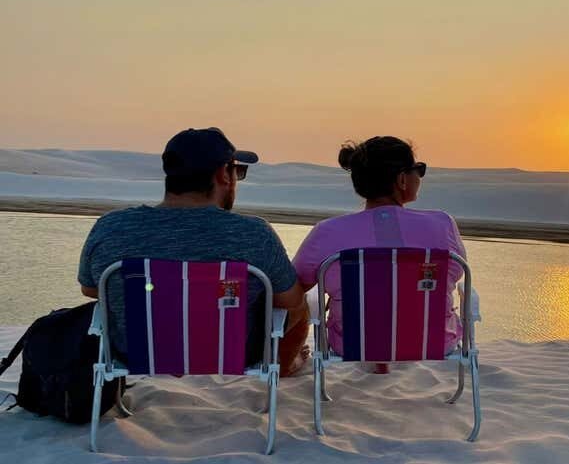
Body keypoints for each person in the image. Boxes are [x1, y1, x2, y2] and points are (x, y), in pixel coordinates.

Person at [78, 127, 309, 376]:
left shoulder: (111, 227)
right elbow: (291, 301)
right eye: (237, 171)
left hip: (133, 358)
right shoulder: (254, 234)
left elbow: (91, 288)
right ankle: (284, 368)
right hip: (233, 360)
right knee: (302, 305)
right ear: (223, 174)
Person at [292, 136, 466, 372]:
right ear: (402, 179)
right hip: (433, 342)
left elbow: (296, 284)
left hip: (352, 343)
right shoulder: (442, 224)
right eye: (419, 169)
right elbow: (453, 275)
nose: (420, 176)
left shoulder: (328, 232)